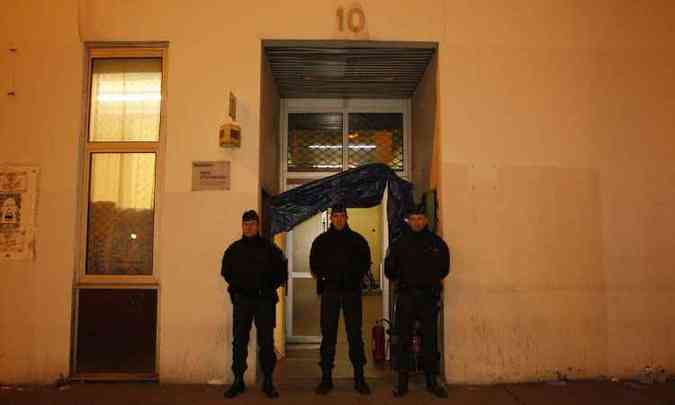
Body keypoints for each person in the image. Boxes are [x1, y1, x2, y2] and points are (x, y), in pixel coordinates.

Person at [384, 204, 450, 398]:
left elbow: (444, 268)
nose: (417, 222)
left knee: (430, 340)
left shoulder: (437, 243)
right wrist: (405, 279)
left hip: (429, 298)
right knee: (403, 340)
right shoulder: (398, 243)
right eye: (413, 219)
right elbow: (389, 269)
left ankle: (431, 381)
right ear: (408, 221)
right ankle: (402, 382)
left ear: (426, 220)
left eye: (420, 218)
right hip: (406, 298)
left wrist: (428, 281)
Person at [221, 210, 288, 399]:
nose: (249, 227)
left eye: (252, 223)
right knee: (239, 342)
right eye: (245, 224)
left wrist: (266, 288)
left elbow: (281, 272)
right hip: (242, 301)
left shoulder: (270, 249)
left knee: (266, 343)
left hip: (264, 301)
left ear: (258, 226)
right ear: (242, 226)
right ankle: (238, 381)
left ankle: (268, 380)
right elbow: (226, 271)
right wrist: (238, 288)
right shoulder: (233, 250)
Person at [310, 203, 372, 395]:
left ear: (347, 218)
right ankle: (326, 378)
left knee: (355, 335)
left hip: (352, 293)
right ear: (331, 218)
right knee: (328, 335)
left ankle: (359, 378)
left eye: (341, 216)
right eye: (335, 216)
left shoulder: (358, 240)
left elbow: (364, 263)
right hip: (330, 293)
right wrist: (327, 278)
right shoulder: (320, 241)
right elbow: (315, 265)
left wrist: (353, 278)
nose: (338, 219)